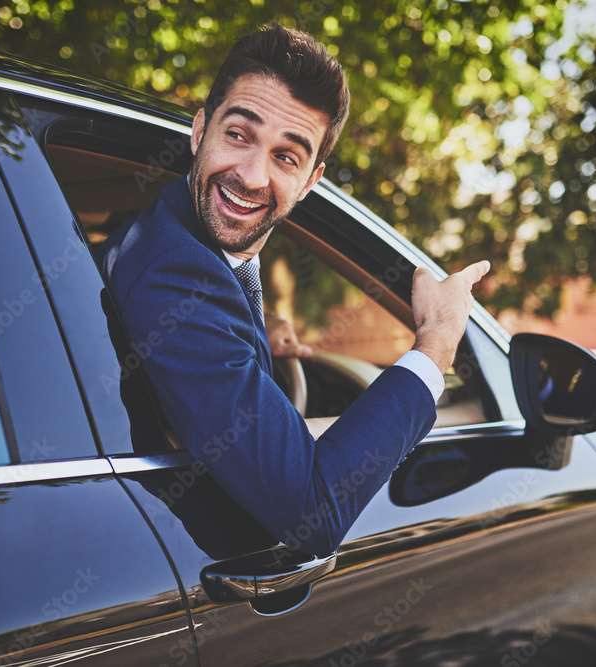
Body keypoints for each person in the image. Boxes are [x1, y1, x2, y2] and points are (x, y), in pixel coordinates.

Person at [100, 23, 490, 557]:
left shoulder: (181, 252)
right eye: (238, 135)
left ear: (310, 180)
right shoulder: (174, 274)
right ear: (199, 131)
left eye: (286, 156)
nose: (253, 175)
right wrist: (438, 341)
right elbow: (310, 513)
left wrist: (251, 336)